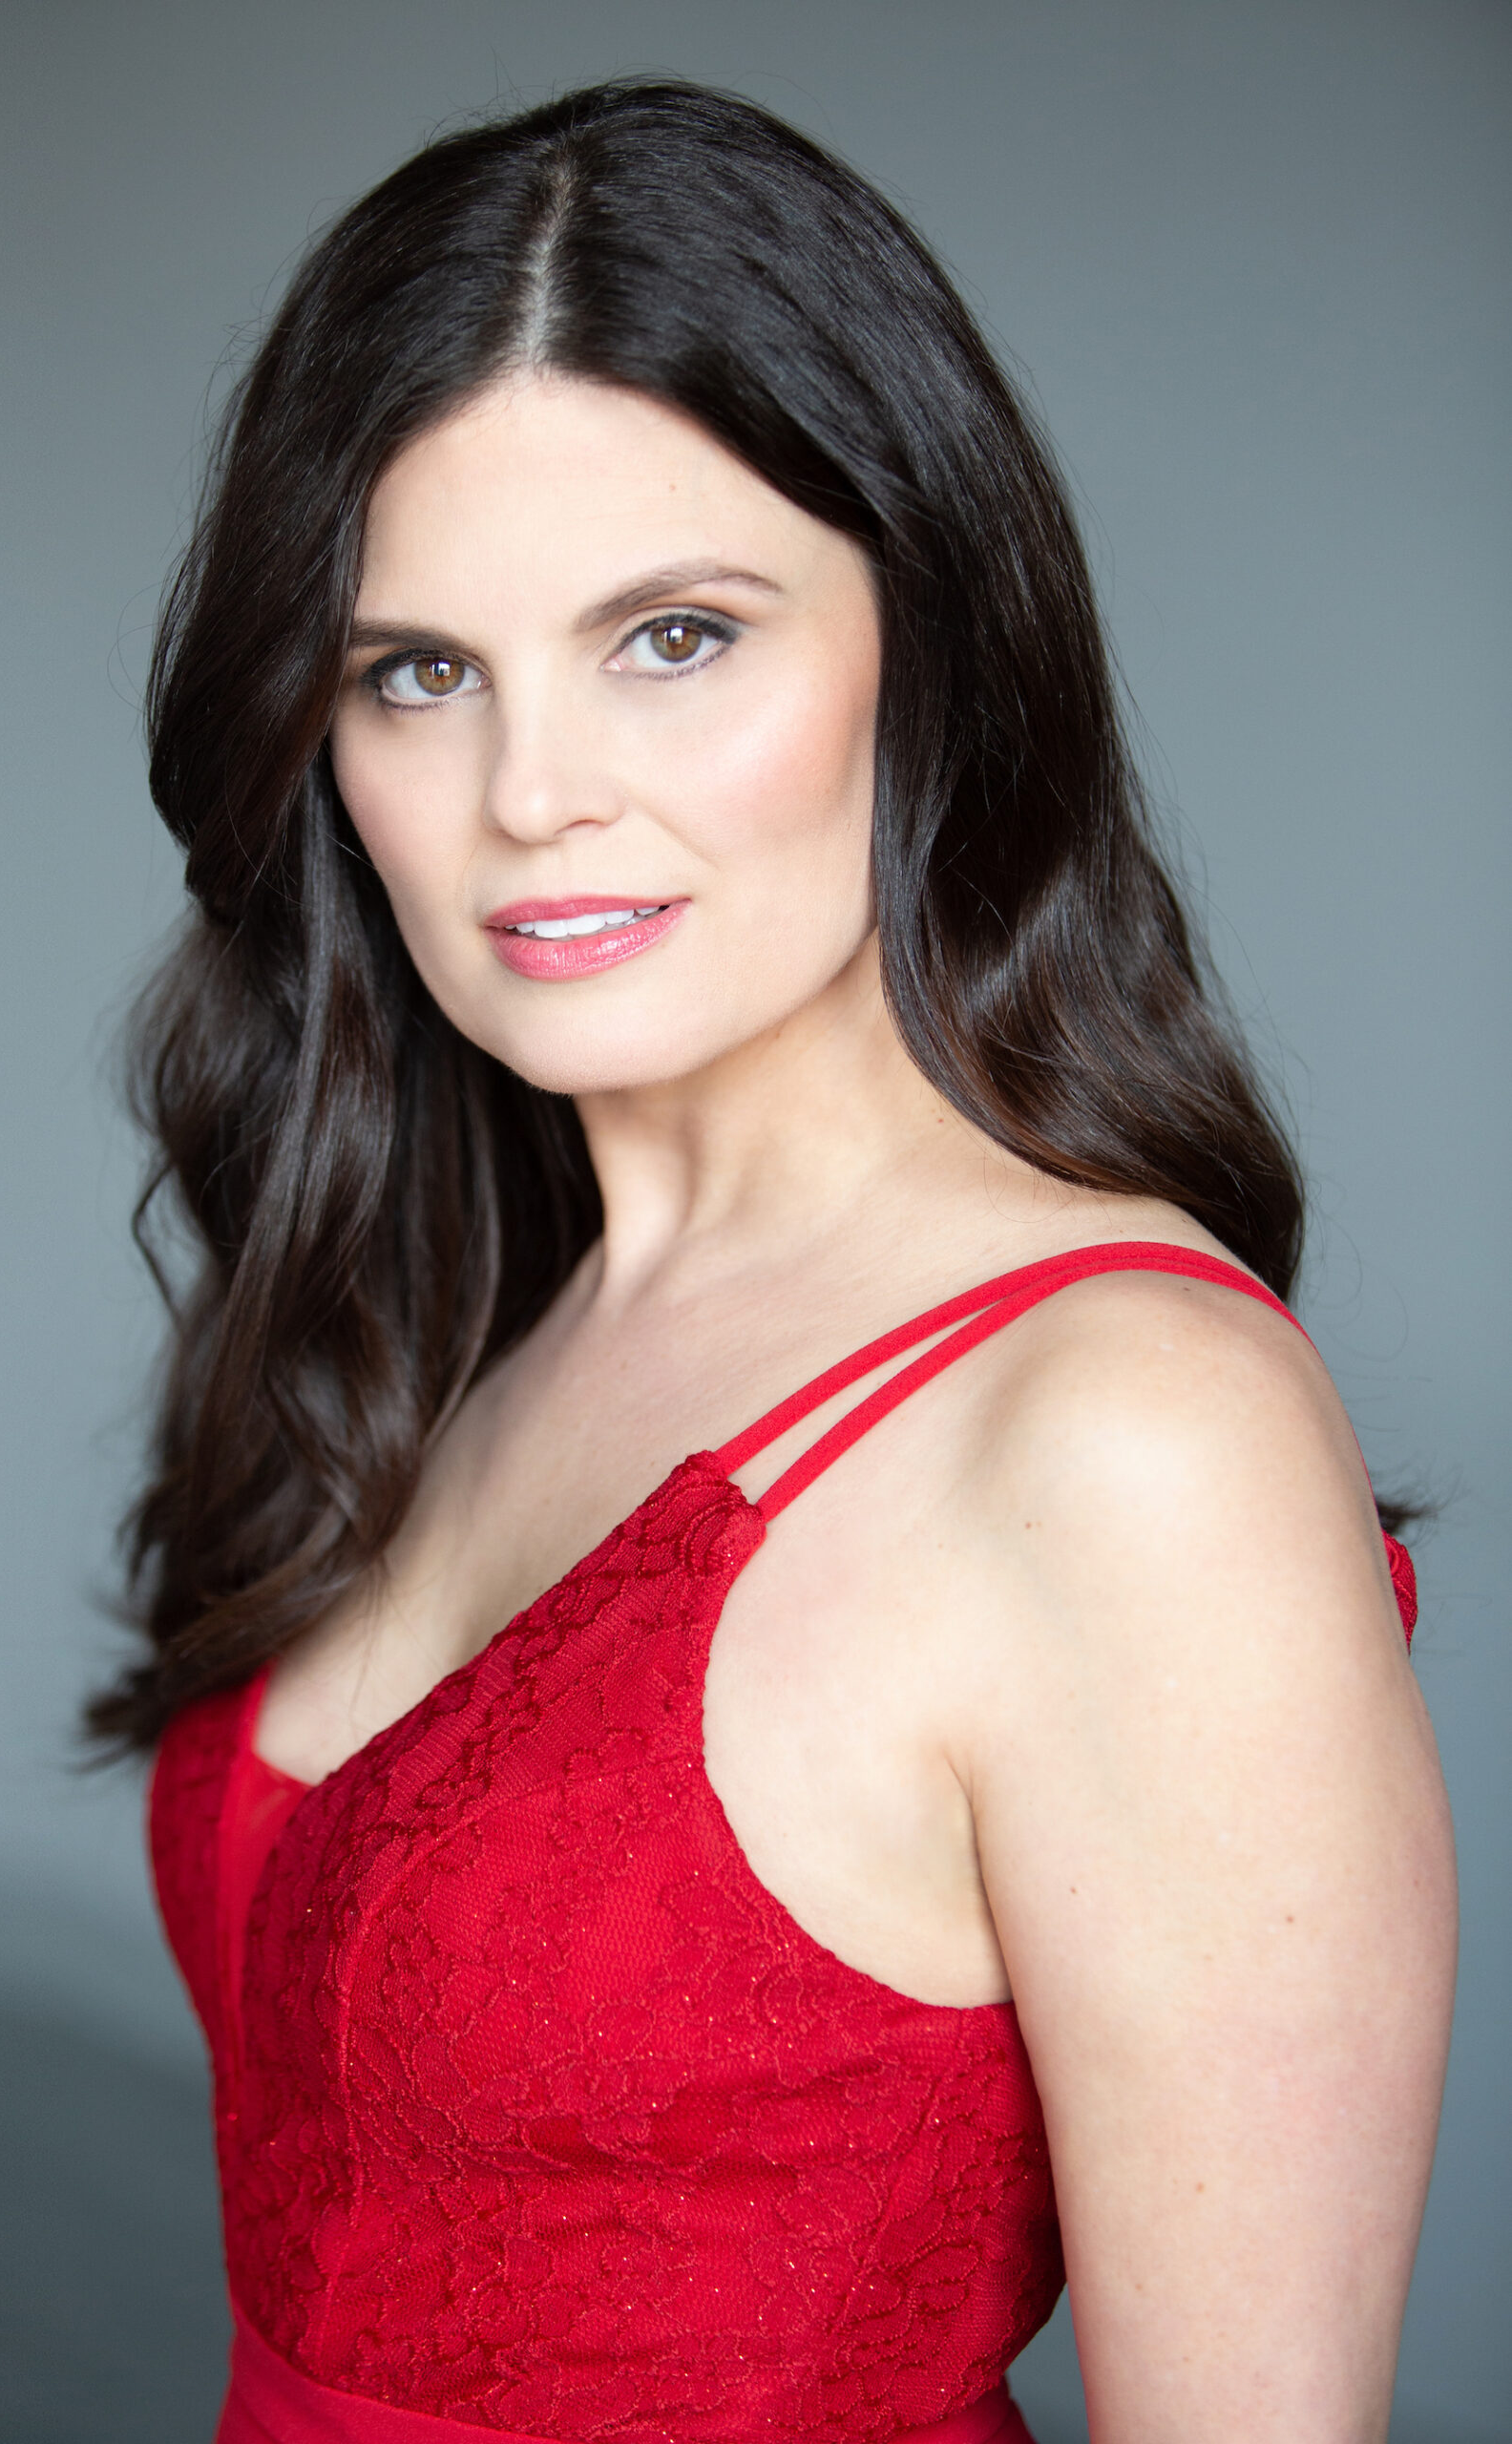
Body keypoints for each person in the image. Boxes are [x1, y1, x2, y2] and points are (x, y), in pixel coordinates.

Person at [94, 78, 1455, 2444]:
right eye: (417, 670)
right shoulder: (479, 1307)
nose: (531, 791)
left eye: (672, 636)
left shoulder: (1125, 1437)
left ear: (928, 644)